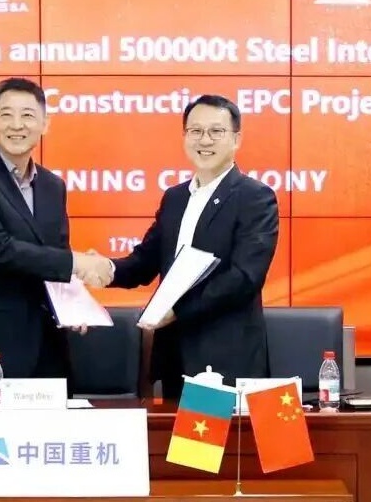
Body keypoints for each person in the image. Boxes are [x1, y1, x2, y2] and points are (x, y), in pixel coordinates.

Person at [97, 94, 279, 401]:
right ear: (184, 137)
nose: (204, 140)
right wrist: (106, 269)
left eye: (216, 131)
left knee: (213, 435)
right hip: (175, 357)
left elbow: (244, 277)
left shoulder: (255, 197)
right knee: (173, 435)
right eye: (195, 131)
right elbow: (145, 261)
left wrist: (177, 310)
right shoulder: (175, 198)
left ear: (236, 139)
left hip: (225, 360)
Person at [0, 77, 110, 402]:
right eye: (6, 114)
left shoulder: (52, 186)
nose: (17, 125)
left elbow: (55, 255)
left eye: (28, 115)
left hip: (48, 348)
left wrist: (75, 303)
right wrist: (77, 263)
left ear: (45, 124)